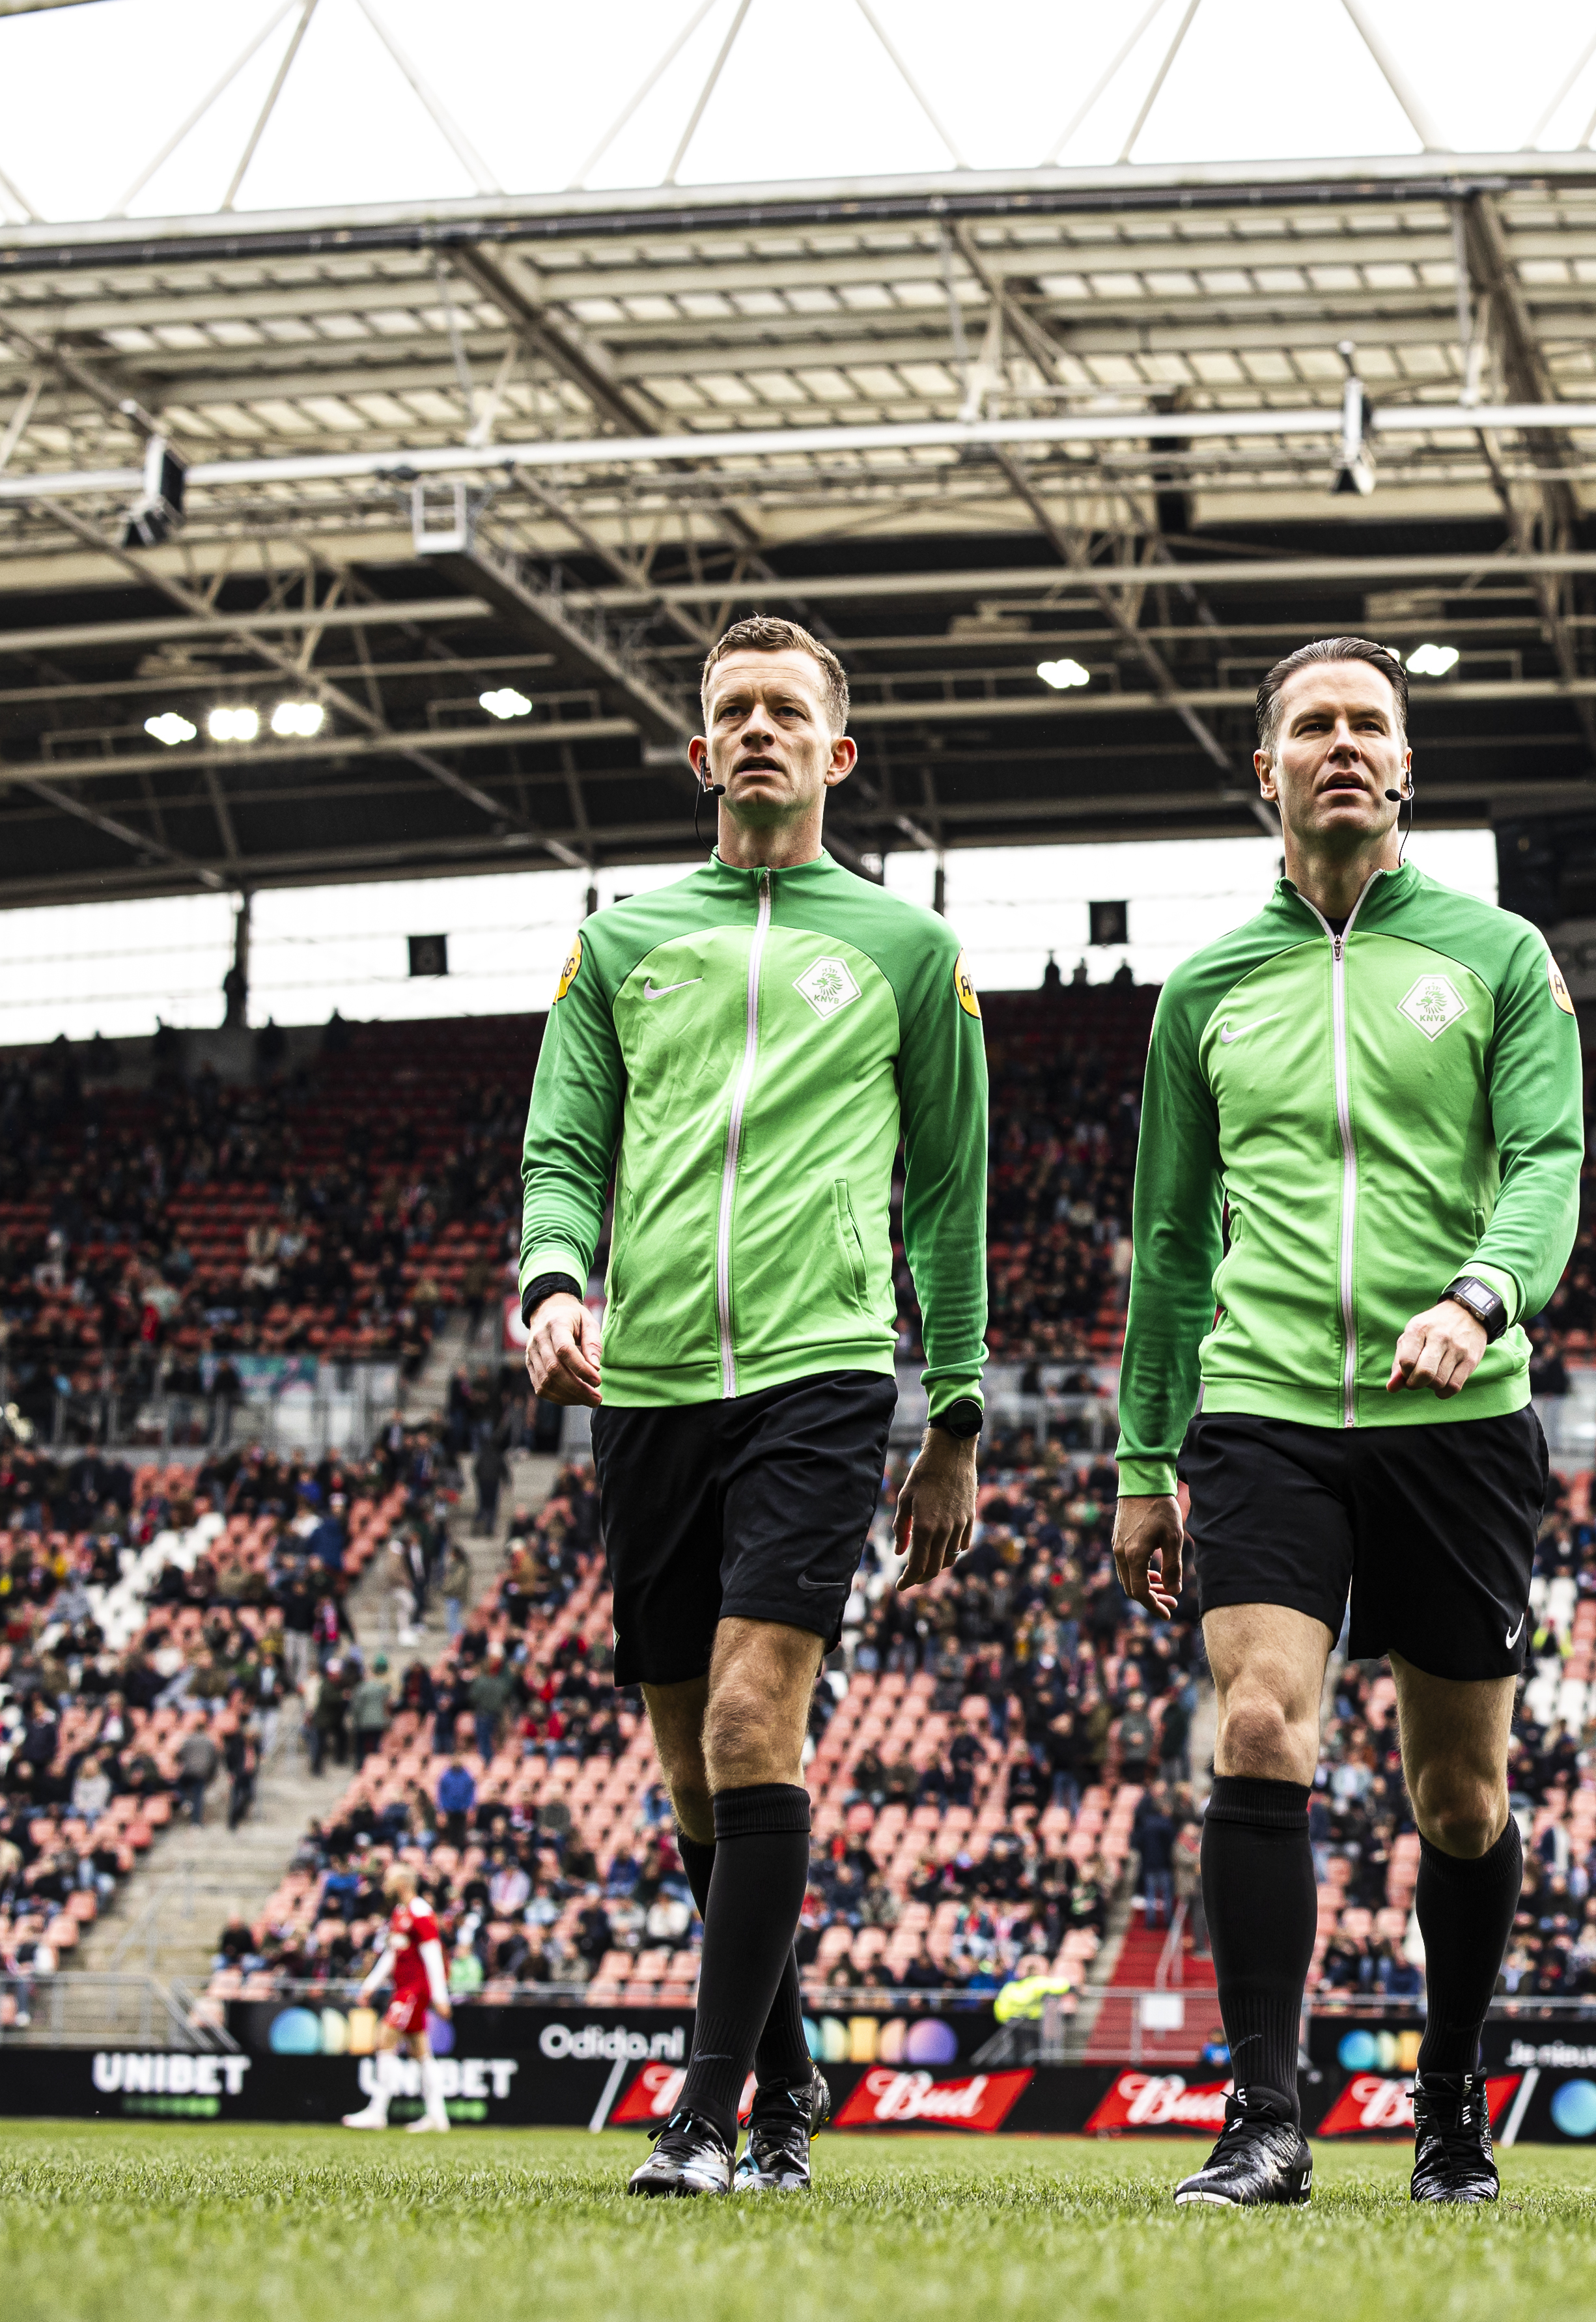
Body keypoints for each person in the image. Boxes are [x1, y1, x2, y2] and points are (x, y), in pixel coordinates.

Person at [522, 615, 990, 2198]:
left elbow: (950, 1195)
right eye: (734, 710)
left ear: (837, 752)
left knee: (747, 1721)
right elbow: (562, 1149)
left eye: (790, 709)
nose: (761, 730)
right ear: (701, 747)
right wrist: (551, 1280)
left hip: (822, 1370)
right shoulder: (618, 938)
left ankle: (705, 2115)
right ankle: (787, 2086)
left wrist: (957, 1411)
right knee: (685, 1769)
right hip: (646, 1386)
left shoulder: (910, 950)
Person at [1113, 637, 1584, 2209]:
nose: (1340, 746)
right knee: (1259, 1726)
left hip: (1457, 1411)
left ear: (1405, 765)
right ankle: (1263, 2114)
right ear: (1265, 769)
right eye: (1310, 725)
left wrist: (1481, 1294)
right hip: (1262, 1409)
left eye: (1368, 725)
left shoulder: (1502, 955)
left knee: (1461, 1792)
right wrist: (1141, 1460)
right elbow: (1173, 1247)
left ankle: (1448, 2103)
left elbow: (1546, 1167)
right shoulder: (1203, 990)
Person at [343, 1862, 451, 2133]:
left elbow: (433, 1955)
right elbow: (393, 1954)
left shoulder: (420, 1913)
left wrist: (440, 1995)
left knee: (385, 2039)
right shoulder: (400, 1913)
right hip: (403, 1988)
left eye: (389, 1879)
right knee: (420, 2052)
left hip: (414, 1989)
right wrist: (370, 1985)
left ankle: (378, 2111)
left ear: (402, 1883)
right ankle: (437, 2115)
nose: (385, 1884)